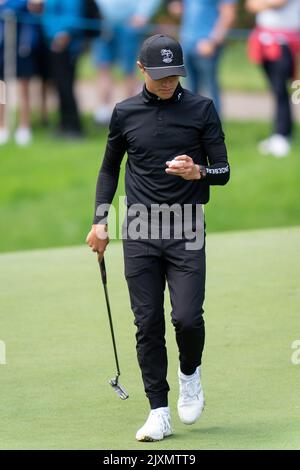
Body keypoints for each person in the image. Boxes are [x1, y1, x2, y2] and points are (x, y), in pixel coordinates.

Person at [86, 34, 230, 441]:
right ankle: (158, 410)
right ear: (141, 69)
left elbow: (223, 170)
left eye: (175, 75)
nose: (168, 82)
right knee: (147, 323)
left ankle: (190, 375)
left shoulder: (202, 109)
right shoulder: (125, 113)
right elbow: (109, 169)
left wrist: (198, 171)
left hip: (186, 228)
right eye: (161, 75)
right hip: (139, 231)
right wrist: (100, 221)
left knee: (186, 318)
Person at [92, 0, 161, 125]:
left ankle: (128, 112)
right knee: (103, 67)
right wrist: (94, 11)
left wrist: (143, 14)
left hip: (129, 25)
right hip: (102, 23)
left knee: (129, 70)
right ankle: (103, 112)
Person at [246, 0, 300, 158]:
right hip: (265, 40)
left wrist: (261, 4)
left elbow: (279, 2)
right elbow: (250, 5)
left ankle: (282, 135)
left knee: (281, 90)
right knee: (277, 91)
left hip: (285, 43)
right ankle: (281, 133)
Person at [168, 0, 236, 114]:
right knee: (189, 90)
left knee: (210, 89)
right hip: (187, 43)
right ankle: (191, 127)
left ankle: (214, 128)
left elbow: (228, 14)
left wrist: (212, 41)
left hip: (206, 45)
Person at [0, 0, 44, 145]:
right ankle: (2, 126)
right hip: (2, 47)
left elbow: (34, 6)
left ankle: (24, 126)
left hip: (22, 47)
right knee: (1, 90)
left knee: (23, 88)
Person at [41, 0, 85, 138]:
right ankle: (64, 124)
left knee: (66, 86)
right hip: (53, 44)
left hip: (66, 46)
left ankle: (74, 127)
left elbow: (73, 16)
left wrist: (61, 36)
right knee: (60, 86)